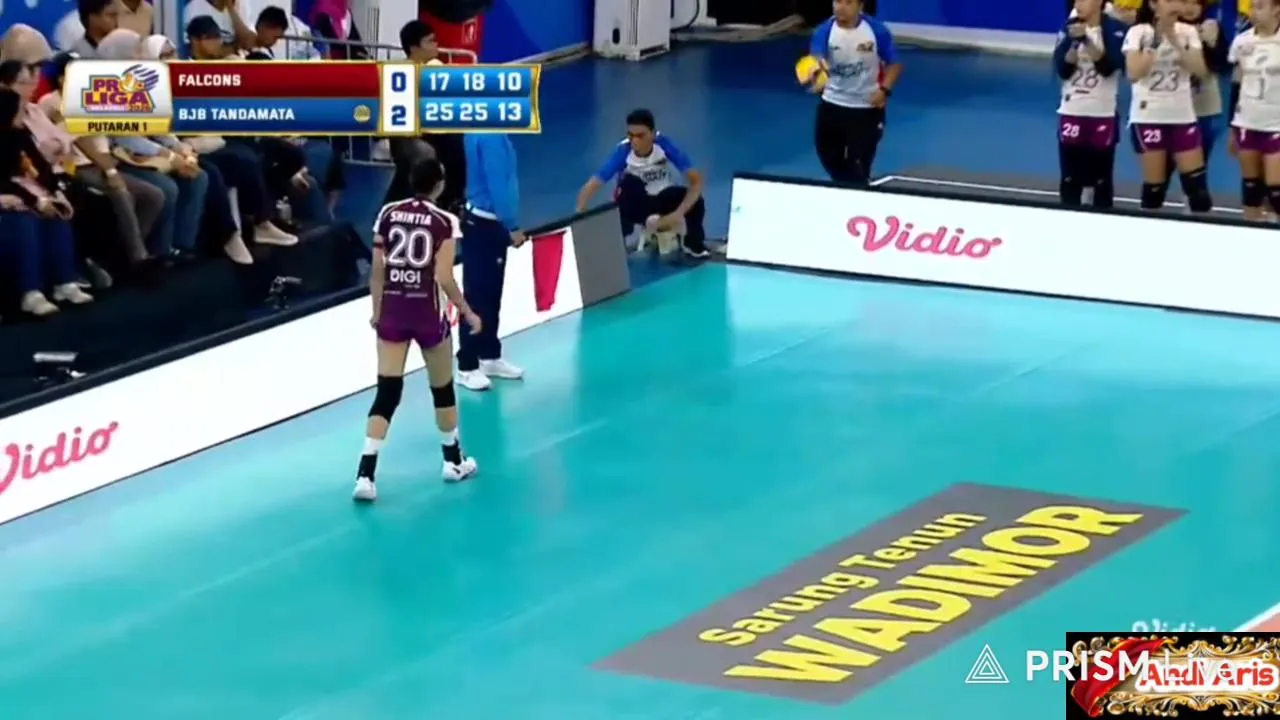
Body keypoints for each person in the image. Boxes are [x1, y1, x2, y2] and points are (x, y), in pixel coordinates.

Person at [355, 158, 481, 501]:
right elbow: (444, 277)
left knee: (387, 392)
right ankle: (453, 461)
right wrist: (467, 311)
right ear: (439, 184)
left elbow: (378, 269)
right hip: (427, 314)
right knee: (442, 389)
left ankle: (365, 475)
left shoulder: (388, 213)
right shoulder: (445, 222)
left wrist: (376, 311)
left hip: (393, 312)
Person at [8, 55, 166, 274]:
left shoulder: (91, 98)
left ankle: (122, 256)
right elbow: (63, 144)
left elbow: (81, 138)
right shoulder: (49, 103)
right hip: (74, 168)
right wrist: (108, 168)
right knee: (121, 194)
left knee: (154, 195)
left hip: (102, 161)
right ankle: (138, 258)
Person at [99, 29, 210, 261]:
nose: (140, 58)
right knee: (166, 188)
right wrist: (169, 156)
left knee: (198, 175)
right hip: (119, 157)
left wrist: (178, 148)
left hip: (145, 151)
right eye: (135, 52)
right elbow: (125, 138)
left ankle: (182, 244)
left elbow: (157, 128)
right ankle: (159, 251)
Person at [0, 88, 92, 316]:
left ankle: (64, 282)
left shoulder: (20, 135)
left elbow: (42, 168)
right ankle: (31, 292)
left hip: (27, 193)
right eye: (19, 111)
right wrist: (35, 201)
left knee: (57, 216)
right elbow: (3, 180)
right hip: (9, 198)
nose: (24, 115)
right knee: (25, 221)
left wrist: (54, 193)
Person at [575, 108, 709, 258]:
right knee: (628, 184)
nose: (634, 141)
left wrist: (677, 214)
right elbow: (594, 183)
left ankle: (692, 244)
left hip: (662, 199)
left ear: (653, 134)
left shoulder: (664, 146)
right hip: (635, 204)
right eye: (631, 135)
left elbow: (696, 181)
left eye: (640, 136)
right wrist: (580, 212)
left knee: (696, 201)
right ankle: (618, 248)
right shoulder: (623, 152)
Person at [1124, 0, 1214, 212]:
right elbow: (1134, 73)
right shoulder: (1138, 32)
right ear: (1153, 5)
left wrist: (1173, 39)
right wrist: (1156, 41)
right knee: (1155, 190)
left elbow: (1200, 70)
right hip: (1149, 117)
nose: (1175, 5)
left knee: (1198, 193)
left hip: (1182, 116)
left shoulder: (1188, 32)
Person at [802, 0, 902, 185]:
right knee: (829, 157)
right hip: (832, 105)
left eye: (848, 2)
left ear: (860, 6)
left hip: (866, 108)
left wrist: (884, 90)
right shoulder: (824, 31)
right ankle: (857, 188)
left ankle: (859, 190)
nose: (841, 7)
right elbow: (817, 58)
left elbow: (894, 64)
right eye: (837, 1)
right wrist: (816, 73)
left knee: (858, 163)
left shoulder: (876, 31)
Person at [456, 131, 526, 392]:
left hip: (487, 222)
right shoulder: (491, 137)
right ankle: (466, 365)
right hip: (486, 225)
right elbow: (498, 181)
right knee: (478, 296)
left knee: (491, 294)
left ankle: (489, 355)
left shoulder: (485, 131)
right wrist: (512, 224)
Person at [1054, 0, 1126, 208]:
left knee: (1101, 178)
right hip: (1072, 110)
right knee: (1070, 177)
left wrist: (1086, 39)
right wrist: (1074, 42)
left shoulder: (1115, 29)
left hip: (1102, 113)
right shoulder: (1068, 28)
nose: (1079, 4)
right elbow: (1063, 70)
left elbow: (1108, 68)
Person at [1228, 0, 1280, 220]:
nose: (1253, 12)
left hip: (1276, 123)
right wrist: (1232, 127)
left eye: (1260, 7)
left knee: (1276, 192)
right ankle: (1251, 229)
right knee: (1251, 187)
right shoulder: (1242, 41)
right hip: (1247, 122)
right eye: (1251, 7)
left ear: (1276, 8)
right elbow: (1237, 84)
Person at [1181, 0, 1228, 185]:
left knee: (1200, 159)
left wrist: (1211, 44)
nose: (1190, 8)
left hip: (1204, 104)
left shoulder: (1211, 27)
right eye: (1185, 2)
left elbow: (1222, 65)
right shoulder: (1166, 30)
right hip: (1172, 104)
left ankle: (1192, 197)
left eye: (1196, 3)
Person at [183, 0, 259, 54]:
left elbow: (249, 43)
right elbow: (196, 49)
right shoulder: (194, 7)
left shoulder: (240, 4)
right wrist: (235, 48)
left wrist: (231, 9)